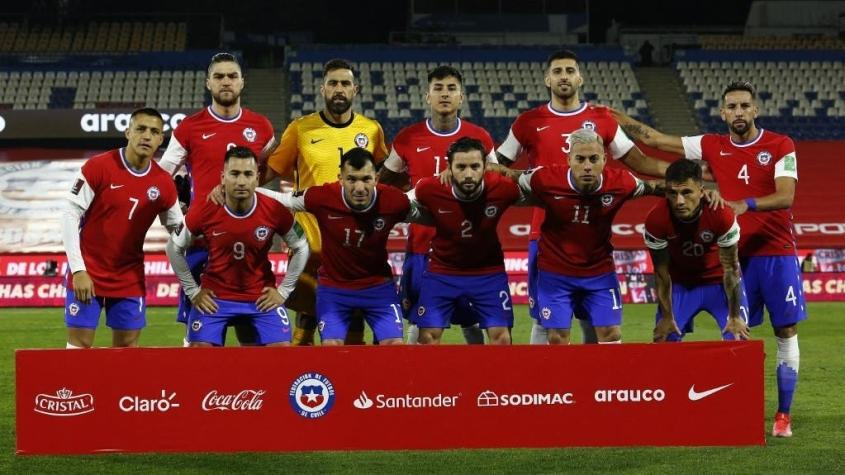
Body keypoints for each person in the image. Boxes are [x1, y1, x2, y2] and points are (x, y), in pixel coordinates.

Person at [610, 81, 806, 438]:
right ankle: (705, 410)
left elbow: (786, 196)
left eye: (745, 106)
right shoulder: (711, 145)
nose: (739, 112)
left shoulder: (780, 145)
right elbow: (653, 140)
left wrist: (742, 204)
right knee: (738, 335)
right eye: (732, 107)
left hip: (775, 253)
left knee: (784, 330)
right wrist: (612, 118)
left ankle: (782, 415)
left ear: (756, 109)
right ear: (722, 112)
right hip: (733, 254)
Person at [496, 49, 669, 345]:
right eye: (558, 71)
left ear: (580, 77)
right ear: (547, 79)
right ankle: (544, 388)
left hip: (593, 237)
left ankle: (593, 386)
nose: (564, 76)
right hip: (544, 233)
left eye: (570, 70)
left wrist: (684, 174)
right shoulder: (528, 121)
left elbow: (639, 162)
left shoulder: (602, 118)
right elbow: (495, 164)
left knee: (597, 320)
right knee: (544, 320)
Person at [264, 58, 388, 346]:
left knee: (353, 314)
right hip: (311, 237)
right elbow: (269, 172)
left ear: (355, 89)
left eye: (345, 83)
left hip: (355, 238)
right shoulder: (300, 129)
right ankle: (300, 382)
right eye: (333, 83)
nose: (339, 89)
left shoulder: (371, 130)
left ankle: (352, 382)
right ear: (322, 89)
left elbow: (384, 176)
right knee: (306, 315)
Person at [159, 52, 276, 345]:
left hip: (250, 242)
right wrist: (176, 215)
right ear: (208, 83)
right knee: (199, 333)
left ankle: (255, 390)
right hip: (202, 242)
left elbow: (268, 172)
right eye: (220, 76)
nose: (226, 82)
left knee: (253, 332)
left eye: (232, 76)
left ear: (242, 82)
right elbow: (161, 176)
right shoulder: (189, 127)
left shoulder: (261, 126)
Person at [379, 65, 496, 344]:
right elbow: (385, 186)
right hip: (422, 248)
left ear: (461, 97)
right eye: (438, 88)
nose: (445, 94)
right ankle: (414, 384)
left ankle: (481, 383)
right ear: (427, 97)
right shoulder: (407, 138)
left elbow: (496, 184)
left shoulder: (480, 137)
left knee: (473, 322)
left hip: (469, 250)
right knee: (420, 323)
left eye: (451, 89)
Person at [515, 128, 662, 345]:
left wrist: (700, 190)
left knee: (611, 333)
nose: (587, 166)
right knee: (556, 337)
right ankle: (557, 379)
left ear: (604, 159)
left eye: (593, 159)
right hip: (555, 272)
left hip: (599, 272)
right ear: (569, 159)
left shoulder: (622, 183)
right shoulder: (544, 178)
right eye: (580, 159)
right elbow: (509, 180)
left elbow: (656, 187)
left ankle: (607, 379)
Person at [61, 108, 183, 348]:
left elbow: (178, 230)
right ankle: (77, 388)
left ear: (161, 140)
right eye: (141, 129)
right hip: (89, 271)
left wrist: (197, 217)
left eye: (154, 132)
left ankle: (117, 388)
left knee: (126, 349)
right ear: (128, 132)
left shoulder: (163, 183)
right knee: (79, 346)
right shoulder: (99, 166)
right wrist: (78, 270)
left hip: (129, 276)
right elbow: (69, 215)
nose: (147, 136)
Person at [166, 147, 309, 347]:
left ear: (257, 178)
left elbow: (302, 246)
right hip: (216, 299)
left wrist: (284, 291)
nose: (241, 181)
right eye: (234, 174)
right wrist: (193, 291)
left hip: (261, 298)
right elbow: (173, 247)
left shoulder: (274, 210)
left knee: (282, 354)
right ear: (223, 177)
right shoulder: (205, 210)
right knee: (198, 357)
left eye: (248, 174)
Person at [264, 148, 407, 345]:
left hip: (378, 287)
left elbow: (424, 212)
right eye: (351, 179)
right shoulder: (323, 196)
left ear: (376, 178)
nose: (359, 187)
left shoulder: (394, 200)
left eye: (366, 179)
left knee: (395, 347)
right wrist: (245, 189)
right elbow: (284, 200)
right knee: (332, 348)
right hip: (334, 289)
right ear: (340, 178)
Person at [410, 137, 521, 345]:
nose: (468, 174)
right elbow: (402, 203)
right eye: (461, 167)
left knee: (502, 339)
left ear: (486, 167)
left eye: (475, 166)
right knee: (427, 338)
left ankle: (497, 379)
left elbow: (538, 191)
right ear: (449, 168)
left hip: (488, 273)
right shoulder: (429, 189)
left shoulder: (504, 189)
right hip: (442, 273)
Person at [643, 159, 750, 342]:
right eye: (673, 193)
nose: (679, 201)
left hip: (719, 284)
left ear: (701, 191)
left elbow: (731, 270)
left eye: (686, 192)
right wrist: (667, 317)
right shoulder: (656, 220)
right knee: (665, 337)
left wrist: (734, 317)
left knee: (737, 336)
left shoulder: (721, 214)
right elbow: (661, 274)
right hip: (681, 285)